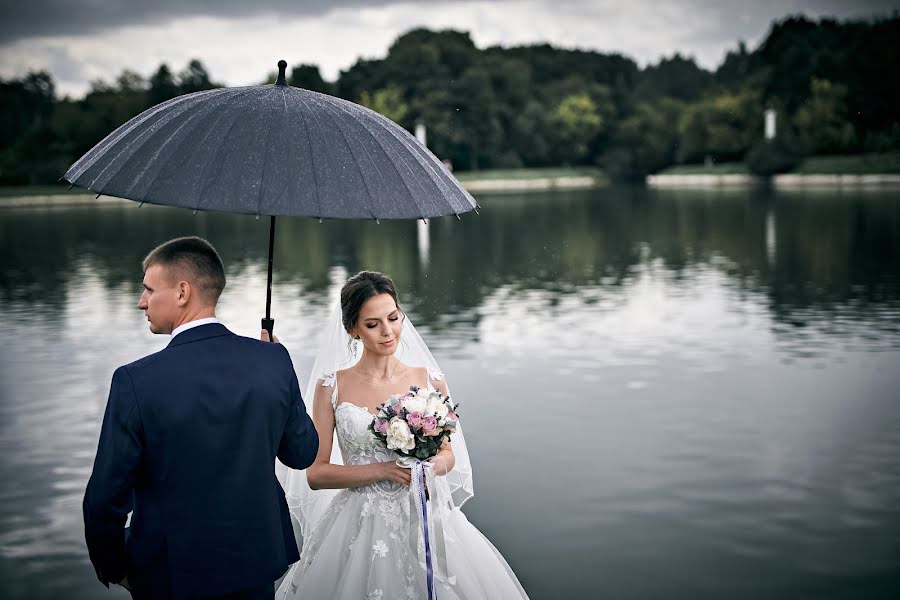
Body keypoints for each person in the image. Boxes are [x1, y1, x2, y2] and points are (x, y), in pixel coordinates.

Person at [83, 236, 318, 600]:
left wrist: (114, 566)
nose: (140, 301)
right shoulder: (272, 360)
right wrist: (278, 365)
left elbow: (104, 498)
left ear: (182, 292)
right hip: (254, 563)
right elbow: (302, 453)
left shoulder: (135, 380)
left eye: (148, 289)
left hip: (170, 571)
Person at [275, 271, 528, 599]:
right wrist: (382, 471)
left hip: (422, 514)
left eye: (393, 318)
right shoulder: (331, 386)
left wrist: (429, 468)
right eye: (373, 324)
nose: (388, 331)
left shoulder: (429, 380)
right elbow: (316, 474)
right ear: (353, 329)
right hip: (359, 521)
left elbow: (448, 456)